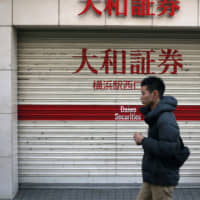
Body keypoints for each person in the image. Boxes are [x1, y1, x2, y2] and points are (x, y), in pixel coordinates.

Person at [134, 76, 181, 200]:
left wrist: (143, 141)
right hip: (153, 176)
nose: (141, 97)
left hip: (162, 179)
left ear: (154, 94)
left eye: (143, 93)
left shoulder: (165, 119)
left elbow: (169, 149)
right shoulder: (156, 116)